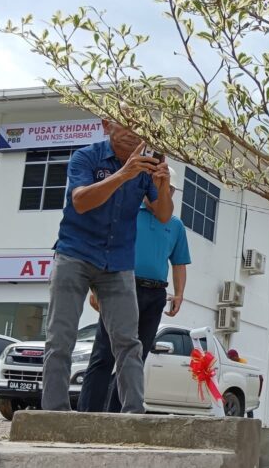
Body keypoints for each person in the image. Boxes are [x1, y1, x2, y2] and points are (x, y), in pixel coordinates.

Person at [41, 121, 172, 413]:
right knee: (60, 337)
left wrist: (162, 186)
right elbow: (80, 201)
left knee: (128, 341)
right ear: (106, 124)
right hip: (75, 253)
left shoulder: (146, 167)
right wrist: (124, 173)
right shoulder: (86, 156)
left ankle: (133, 413)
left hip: (118, 261)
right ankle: (54, 412)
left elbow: (164, 214)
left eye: (140, 126)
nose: (133, 131)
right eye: (126, 123)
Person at [77, 171, 191, 413]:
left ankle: (118, 416)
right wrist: (96, 288)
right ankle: (87, 414)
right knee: (104, 355)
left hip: (155, 294)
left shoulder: (175, 225)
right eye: (159, 187)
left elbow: (179, 263)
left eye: (169, 190)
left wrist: (179, 293)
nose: (164, 193)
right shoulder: (126, 214)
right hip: (121, 287)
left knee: (136, 358)